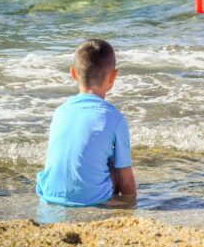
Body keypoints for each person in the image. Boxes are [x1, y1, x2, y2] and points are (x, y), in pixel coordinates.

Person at [36, 39, 137, 206]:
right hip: (93, 199)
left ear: (73, 73)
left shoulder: (60, 111)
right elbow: (126, 179)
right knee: (114, 161)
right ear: (113, 76)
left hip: (49, 194)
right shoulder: (115, 118)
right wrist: (131, 205)